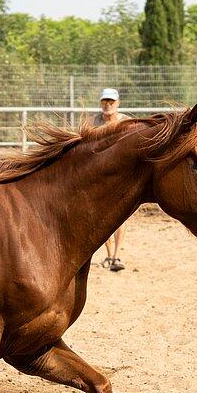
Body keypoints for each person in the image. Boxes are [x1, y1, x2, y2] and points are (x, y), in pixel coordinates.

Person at [89, 88, 130, 272]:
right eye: (105, 101)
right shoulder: (93, 123)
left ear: (118, 103)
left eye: (111, 102)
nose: (108, 105)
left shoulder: (127, 122)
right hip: (98, 175)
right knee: (101, 217)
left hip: (121, 174)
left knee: (120, 217)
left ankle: (116, 255)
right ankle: (108, 254)